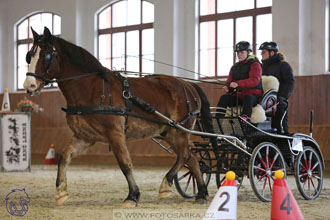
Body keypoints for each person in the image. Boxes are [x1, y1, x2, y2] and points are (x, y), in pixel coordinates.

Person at [217, 41, 263, 120]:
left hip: (253, 95)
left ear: (248, 52)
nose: (239, 55)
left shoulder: (255, 64)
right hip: (239, 95)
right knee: (224, 98)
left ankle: (245, 121)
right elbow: (229, 82)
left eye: (241, 52)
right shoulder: (234, 67)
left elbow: (254, 80)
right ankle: (218, 120)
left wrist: (238, 83)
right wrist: (227, 88)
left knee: (247, 97)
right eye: (237, 53)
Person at [259, 41, 295, 134]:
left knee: (280, 126)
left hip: (278, 101)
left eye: (264, 52)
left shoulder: (283, 65)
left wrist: (282, 97)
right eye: (261, 52)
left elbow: (290, 82)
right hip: (264, 101)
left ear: (272, 53)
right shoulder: (261, 67)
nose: (261, 54)